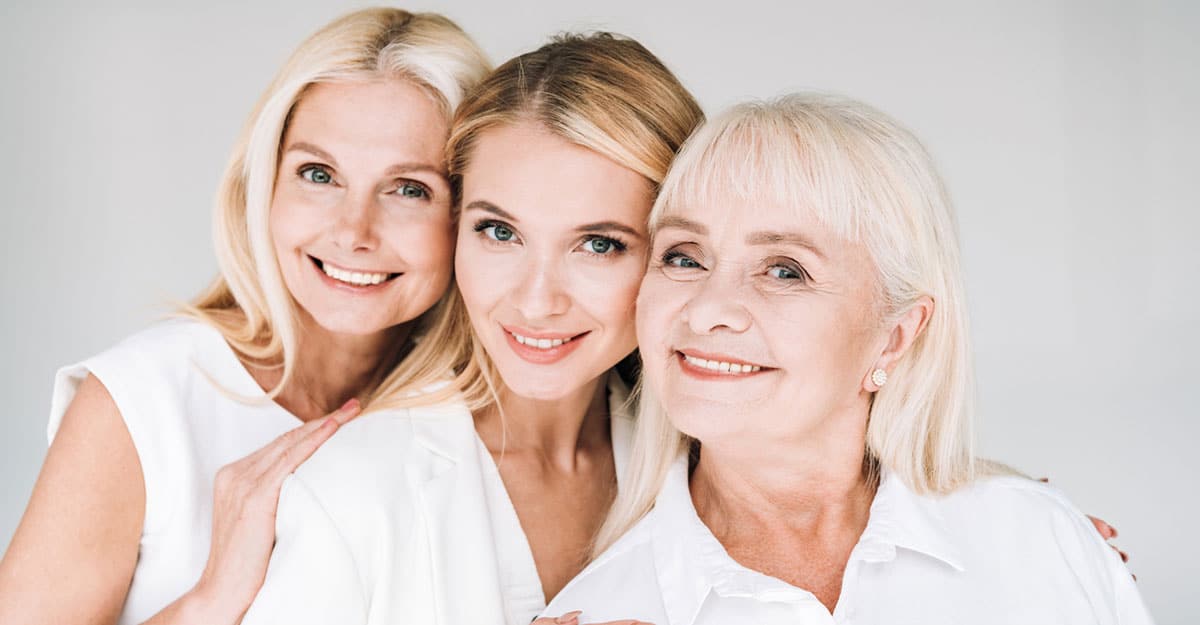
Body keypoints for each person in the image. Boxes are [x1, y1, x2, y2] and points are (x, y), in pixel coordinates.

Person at [545, 94, 1154, 624]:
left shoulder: (1039, 542)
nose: (706, 310)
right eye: (683, 256)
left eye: (785, 269)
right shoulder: (601, 611)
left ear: (894, 337)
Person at [0, 9, 489, 625]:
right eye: (319, 174)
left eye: (409, 189)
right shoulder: (140, 406)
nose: (353, 231)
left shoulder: (478, 421)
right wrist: (214, 598)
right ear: (265, 185)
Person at [239, 33, 703, 625]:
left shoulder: (704, 470)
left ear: (678, 255)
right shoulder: (353, 488)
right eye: (501, 233)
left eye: (599, 244)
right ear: (455, 227)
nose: (536, 302)